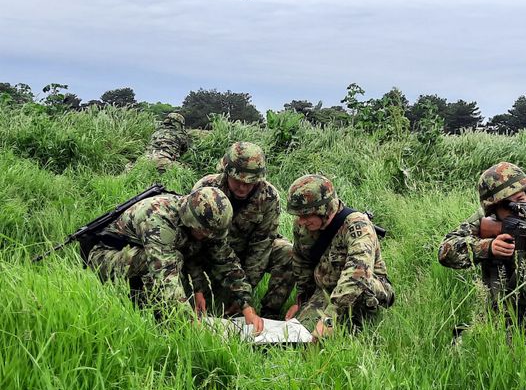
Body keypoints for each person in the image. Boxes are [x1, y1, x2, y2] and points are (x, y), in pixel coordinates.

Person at [86, 186, 263, 332]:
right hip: (107, 257)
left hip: (144, 256)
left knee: (179, 260)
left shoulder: (202, 220)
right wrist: (190, 324)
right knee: (173, 262)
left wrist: (246, 305)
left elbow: (226, 261)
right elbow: (165, 276)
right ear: (189, 220)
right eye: (203, 233)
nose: (207, 237)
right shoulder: (157, 219)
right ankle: (151, 313)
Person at [438, 162, 526, 323]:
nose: (518, 209)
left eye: (521, 199)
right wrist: (487, 247)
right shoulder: (484, 221)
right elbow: (445, 252)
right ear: (493, 209)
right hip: (496, 318)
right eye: (509, 205)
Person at [285, 174, 394, 339]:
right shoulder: (302, 227)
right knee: (301, 335)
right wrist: (301, 302)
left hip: (366, 288)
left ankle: (357, 325)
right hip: (327, 289)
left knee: (343, 332)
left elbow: (358, 274)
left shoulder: (357, 225)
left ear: (324, 209)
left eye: (306, 215)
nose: (301, 221)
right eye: (298, 216)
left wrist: (329, 318)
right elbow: (302, 264)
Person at [192, 142, 293, 319]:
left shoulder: (269, 197)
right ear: (227, 172)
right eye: (238, 181)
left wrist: (244, 294)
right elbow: (193, 238)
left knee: (287, 251)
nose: (243, 187)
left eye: (250, 183)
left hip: (248, 253)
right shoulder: (206, 188)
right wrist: (198, 284)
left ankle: (270, 314)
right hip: (214, 254)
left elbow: (261, 248)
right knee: (216, 311)